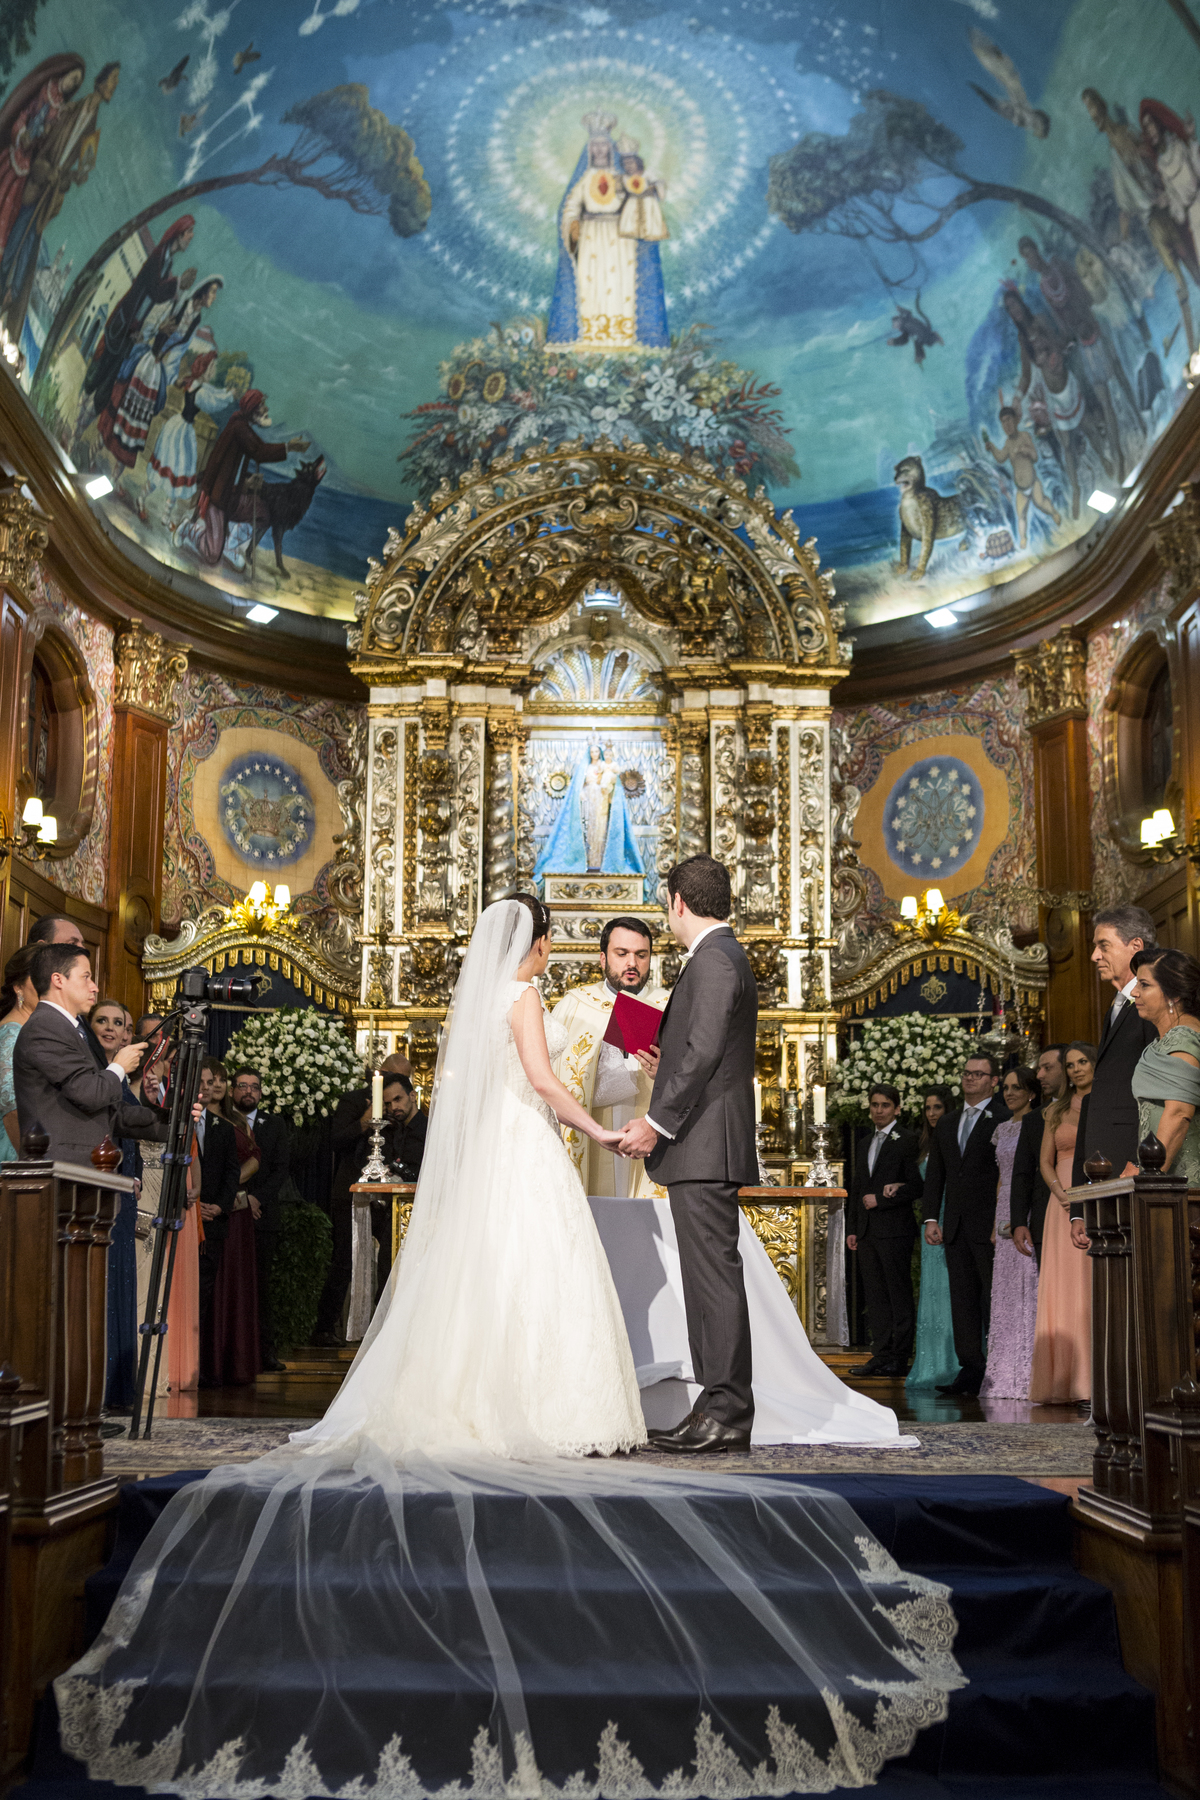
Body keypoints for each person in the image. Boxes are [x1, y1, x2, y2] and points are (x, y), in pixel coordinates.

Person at [295, 892, 641, 1456]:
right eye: (548, 940)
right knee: (539, 1261)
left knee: (488, 1264)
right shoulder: (524, 995)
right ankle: (546, 1408)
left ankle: (468, 1396)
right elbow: (543, 1080)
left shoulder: (483, 1000)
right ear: (538, 942)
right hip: (525, 1137)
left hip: (491, 1140)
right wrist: (596, 1131)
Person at [617, 855, 759, 1455]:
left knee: (714, 1282)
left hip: (704, 1146)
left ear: (677, 901)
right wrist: (664, 1065)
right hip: (702, 1144)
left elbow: (703, 1050)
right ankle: (714, 1407)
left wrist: (656, 1122)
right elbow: (704, 1052)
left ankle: (728, 1411)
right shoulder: (719, 956)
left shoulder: (715, 959)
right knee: (706, 1283)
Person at [549, 916, 670, 1198]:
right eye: (622, 953)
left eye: (641, 955)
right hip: (592, 1132)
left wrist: (665, 1070)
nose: (632, 963)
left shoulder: (670, 1004)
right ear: (603, 958)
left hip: (651, 1135)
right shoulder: (574, 1006)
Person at [11, 944, 157, 1164]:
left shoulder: (72, 1029)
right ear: (58, 980)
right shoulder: (45, 1027)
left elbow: (108, 1112)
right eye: (86, 977)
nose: (94, 987)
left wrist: (174, 1120)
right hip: (61, 1167)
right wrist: (119, 1066)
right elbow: (89, 1093)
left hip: (84, 1165)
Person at [311, 1059, 421, 1347]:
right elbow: (337, 1140)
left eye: (403, 1080)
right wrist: (366, 1120)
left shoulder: (400, 1113)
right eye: (392, 1077)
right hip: (352, 1192)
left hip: (389, 1196)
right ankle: (326, 1326)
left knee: (388, 1260)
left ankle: (382, 1326)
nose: (392, 1101)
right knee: (345, 1258)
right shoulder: (355, 1101)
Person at [922, 1051, 1008, 1397]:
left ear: (994, 1081)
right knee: (963, 1301)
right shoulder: (948, 1121)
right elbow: (937, 1175)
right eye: (967, 1073)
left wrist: (1004, 1220)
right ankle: (970, 1368)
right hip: (955, 1225)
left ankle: (999, 1368)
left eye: (978, 1073)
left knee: (992, 1299)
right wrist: (931, 1217)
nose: (970, 1078)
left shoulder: (1003, 1117)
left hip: (989, 1226)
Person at [1070, 907, 1159, 1208]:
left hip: (1134, 1162)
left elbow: (1159, 1089)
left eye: (1103, 945)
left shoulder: (1154, 1001)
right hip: (1107, 1162)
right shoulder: (1117, 1004)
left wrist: (1140, 1159)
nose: (1094, 956)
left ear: (1135, 946)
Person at [1030, 1042, 1097, 1405]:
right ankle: (1062, 1382)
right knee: (1062, 1288)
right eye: (1070, 1065)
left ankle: (1091, 1381)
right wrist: (1061, 1193)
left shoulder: (1106, 1105)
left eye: (1082, 1061)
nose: (1076, 1069)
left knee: (1088, 1287)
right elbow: (1045, 1161)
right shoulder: (1055, 1111)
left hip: (1097, 1200)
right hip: (1060, 1208)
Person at [89, 996, 144, 1409]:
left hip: (124, 1194)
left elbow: (132, 1130)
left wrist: (136, 1173)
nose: (110, 1028)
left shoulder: (124, 1078)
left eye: (118, 1023)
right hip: (95, 1189)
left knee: (123, 1285)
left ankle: (120, 1390)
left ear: (127, 1034)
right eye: (101, 1021)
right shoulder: (90, 1071)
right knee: (99, 1286)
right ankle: (97, 1389)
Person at [845, 1083, 921, 1378]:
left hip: (895, 1229)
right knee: (875, 1296)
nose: (879, 1110)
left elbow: (917, 1186)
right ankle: (880, 1354)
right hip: (867, 1231)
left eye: (885, 1105)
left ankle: (899, 1357)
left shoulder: (908, 1140)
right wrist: (854, 1228)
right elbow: (858, 1187)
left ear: (897, 1109)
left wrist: (883, 1199)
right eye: (875, 1105)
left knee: (897, 1294)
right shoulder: (864, 1142)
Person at [981, 1067, 1041, 1401]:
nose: (1009, 1093)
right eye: (1005, 1087)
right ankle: (1004, 1370)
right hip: (1004, 1208)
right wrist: (995, 1221)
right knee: (1004, 1288)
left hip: (1026, 1207)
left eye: (1017, 1087)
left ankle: (1029, 1369)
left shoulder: (1038, 1122)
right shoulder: (1001, 1128)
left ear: (1032, 1093)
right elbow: (1002, 1179)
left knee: (1027, 1280)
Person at [231, 1067, 292, 1373]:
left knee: (262, 1287)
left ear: (261, 1092)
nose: (249, 1092)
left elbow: (281, 1169)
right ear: (232, 1090)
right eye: (243, 1085)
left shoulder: (275, 1124)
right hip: (230, 1212)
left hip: (263, 1216)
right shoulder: (224, 1121)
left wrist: (256, 1199)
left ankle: (265, 1353)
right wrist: (241, 1199)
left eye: (254, 1087)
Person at [190, 1059, 245, 1387]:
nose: (207, 1087)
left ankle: (197, 1367)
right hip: (186, 1219)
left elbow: (231, 1173)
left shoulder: (223, 1128)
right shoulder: (176, 1123)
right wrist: (194, 1208)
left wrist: (220, 1207)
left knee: (204, 1297)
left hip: (213, 1223)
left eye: (211, 1082)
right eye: (201, 1081)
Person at [1125, 946, 1200, 1178]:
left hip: (1183, 1186)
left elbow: (1179, 1113)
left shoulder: (1184, 1037)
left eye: (1144, 985)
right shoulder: (1166, 1041)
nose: (1134, 992)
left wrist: (1149, 1178)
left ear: (1174, 994)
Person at [906, 1084, 959, 1393]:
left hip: (951, 1214)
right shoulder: (924, 1142)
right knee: (932, 1290)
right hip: (930, 1219)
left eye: (937, 1107)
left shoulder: (955, 1136)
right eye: (927, 1108)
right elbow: (921, 1184)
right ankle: (931, 1363)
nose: (931, 1113)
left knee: (954, 1289)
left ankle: (954, 1363)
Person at [25, 914, 107, 1068]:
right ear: (43, 947)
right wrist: (120, 1066)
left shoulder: (76, 1009)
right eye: (72, 943)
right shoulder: (41, 1018)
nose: (82, 949)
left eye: (82, 943)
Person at [1011, 1042, 1067, 1263]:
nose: (1040, 1075)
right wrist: (1019, 1222)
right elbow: (1022, 1173)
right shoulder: (1034, 1119)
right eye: (1039, 1069)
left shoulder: (1090, 1109)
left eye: (1047, 1068)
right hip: (1044, 1218)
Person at [0, 945, 38, 1161]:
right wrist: (31, 1164)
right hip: (14, 1152)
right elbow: (10, 1106)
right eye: (38, 978)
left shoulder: (31, 1029)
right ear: (18, 987)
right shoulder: (11, 1034)